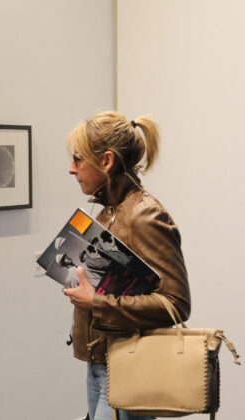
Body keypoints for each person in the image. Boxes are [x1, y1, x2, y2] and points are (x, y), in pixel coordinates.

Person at [62, 111, 191, 420]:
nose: (71, 169)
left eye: (78, 159)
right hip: (101, 363)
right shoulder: (108, 211)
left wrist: (96, 301)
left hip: (128, 367)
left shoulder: (145, 215)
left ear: (106, 161)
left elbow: (176, 303)